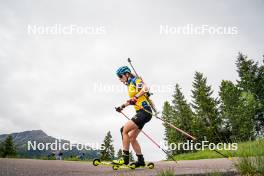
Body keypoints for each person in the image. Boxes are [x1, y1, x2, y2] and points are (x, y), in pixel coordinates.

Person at [112, 66, 152, 167]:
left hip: (145, 111)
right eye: (119, 77)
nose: (120, 79)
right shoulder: (130, 85)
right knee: (132, 137)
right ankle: (141, 160)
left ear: (127, 74)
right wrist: (121, 107)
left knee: (123, 130)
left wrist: (136, 97)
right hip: (141, 113)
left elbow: (145, 88)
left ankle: (125, 159)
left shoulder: (135, 80)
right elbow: (132, 101)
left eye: (120, 76)